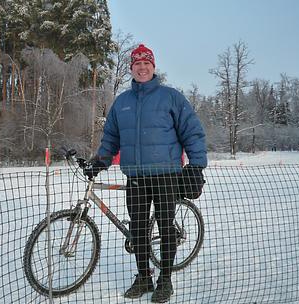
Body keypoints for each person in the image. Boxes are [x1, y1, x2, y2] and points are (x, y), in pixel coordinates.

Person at [83, 44, 207, 303]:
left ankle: (165, 280)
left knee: (166, 227)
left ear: (153, 67)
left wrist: (196, 165)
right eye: (137, 63)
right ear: (132, 68)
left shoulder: (171, 97)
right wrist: (100, 162)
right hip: (136, 177)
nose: (142, 67)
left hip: (166, 175)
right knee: (138, 229)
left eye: (146, 63)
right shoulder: (122, 103)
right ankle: (143, 277)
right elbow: (111, 139)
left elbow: (192, 130)